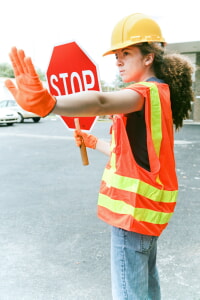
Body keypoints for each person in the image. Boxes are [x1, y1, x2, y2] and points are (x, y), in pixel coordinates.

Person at [5, 13, 194, 300]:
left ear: (148, 57)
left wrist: (50, 104)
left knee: (130, 295)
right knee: (148, 289)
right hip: (147, 216)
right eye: (116, 55)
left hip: (130, 216)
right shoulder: (160, 94)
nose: (118, 60)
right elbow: (131, 155)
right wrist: (94, 142)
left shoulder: (141, 93)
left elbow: (102, 100)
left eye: (126, 53)